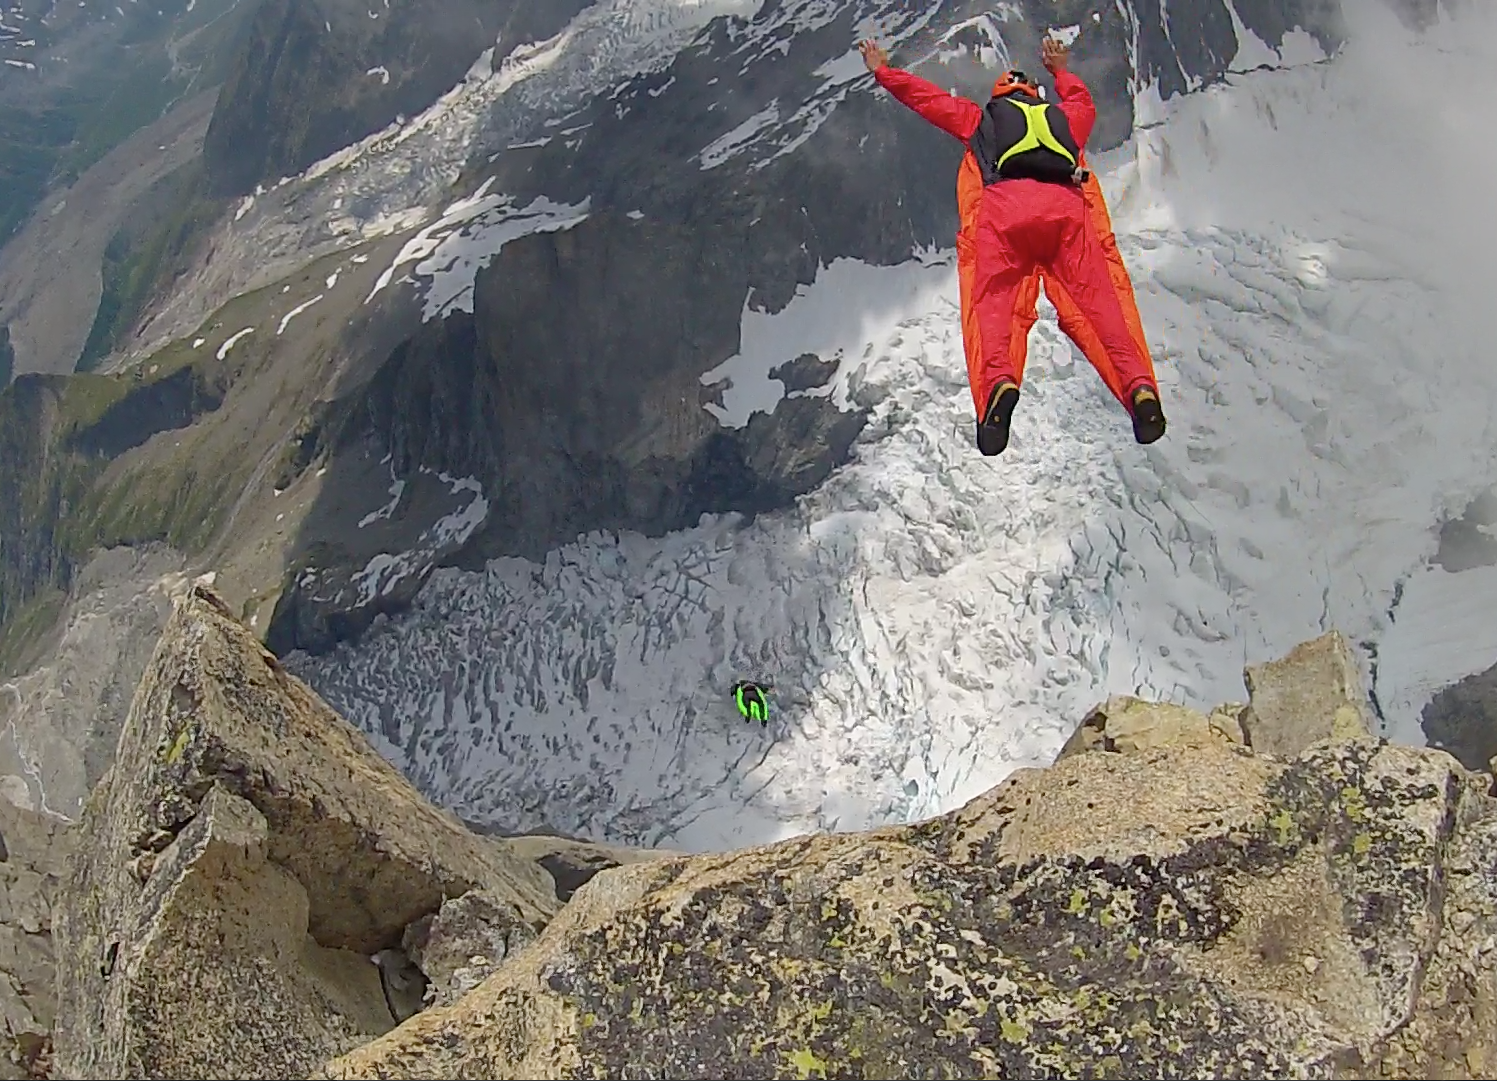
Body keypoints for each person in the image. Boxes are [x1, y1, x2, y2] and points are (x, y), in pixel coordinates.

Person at [860, 36, 1168, 455]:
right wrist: (1061, 70)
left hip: (1006, 214)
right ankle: (1139, 389)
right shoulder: (1065, 120)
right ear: (1033, 96)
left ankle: (999, 385)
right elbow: (1084, 101)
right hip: (1066, 217)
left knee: (992, 304)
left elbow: (926, 99)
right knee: (1103, 308)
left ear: (1000, 95)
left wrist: (883, 70)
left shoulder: (980, 119)